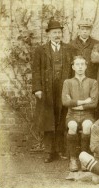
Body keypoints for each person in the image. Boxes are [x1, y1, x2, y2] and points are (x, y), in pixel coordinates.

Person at [32, 18, 76, 163]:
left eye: (59, 32)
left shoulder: (69, 49)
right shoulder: (40, 50)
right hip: (47, 90)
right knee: (48, 120)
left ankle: (61, 150)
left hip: (63, 89)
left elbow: (73, 70)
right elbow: (36, 71)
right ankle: (48, 151)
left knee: (62, 118)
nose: (57, 35)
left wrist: (72, 88)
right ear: (49, 34)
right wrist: (37, 88)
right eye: (54, 32)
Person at [62, 56, 98, 172]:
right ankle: (73, 159)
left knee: (87, 126)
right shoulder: (68, 82)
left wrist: (75, 103)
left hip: (87, 114)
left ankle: (84, 159)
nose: (80, 67)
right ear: (73, 67)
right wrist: (83, 101)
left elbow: (93, 103)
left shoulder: (93, 82)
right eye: (77, 64)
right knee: (72, 126)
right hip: (72, 114)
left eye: (82, 64)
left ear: (86, 66)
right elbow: (65, 102)